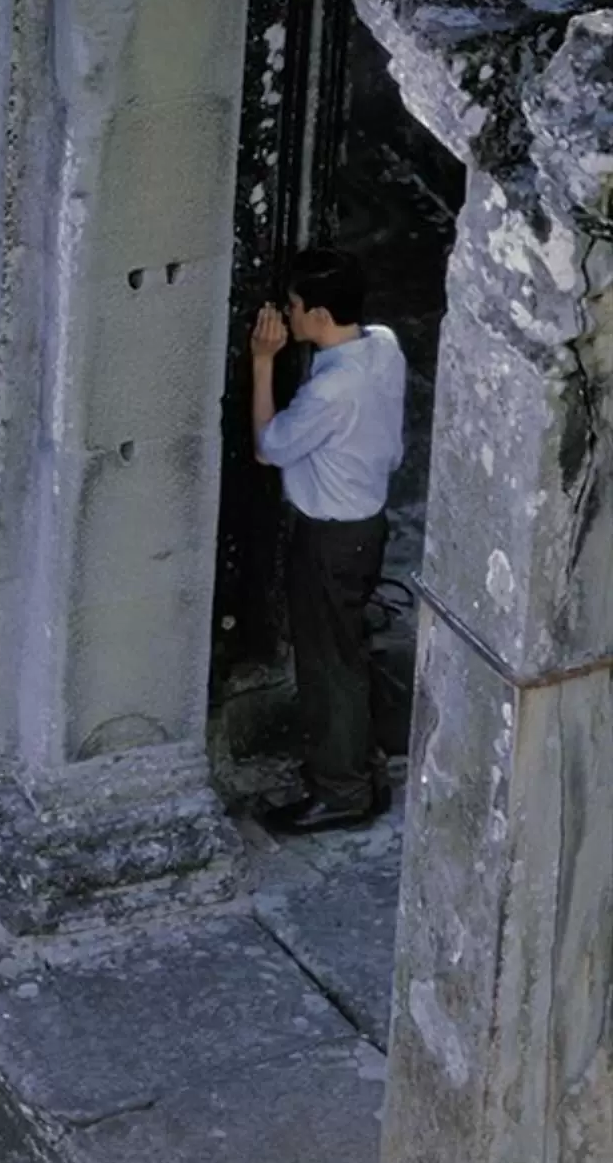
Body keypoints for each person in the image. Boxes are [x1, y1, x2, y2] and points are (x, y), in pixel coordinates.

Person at [251, 247, 406, 832]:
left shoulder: (332, 390)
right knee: (346, 652)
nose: (287, 314)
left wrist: (263, 362)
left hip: (330, 537)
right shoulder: (384, 346)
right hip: (367, 524)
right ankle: (363, 771)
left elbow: (270, 447)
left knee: (327, 667)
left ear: (318, 314)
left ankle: (341, 790)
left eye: (293, 306)